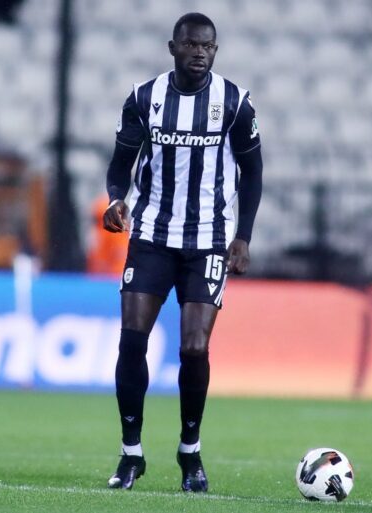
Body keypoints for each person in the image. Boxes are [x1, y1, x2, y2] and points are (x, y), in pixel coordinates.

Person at [101, 12, 262, 493]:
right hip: (152, 235)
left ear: (215, 51)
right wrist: (115, 199)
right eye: (191, 44)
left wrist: (243, 236)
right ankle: (131, 453)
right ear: (173, 47)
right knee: (133, 340)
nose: (199, 53)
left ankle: (189, 451)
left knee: (194, 347)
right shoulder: (143, 98)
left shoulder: (234, 102)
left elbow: (253, 172)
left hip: (208, 239)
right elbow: (120, 164)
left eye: (207, 46)